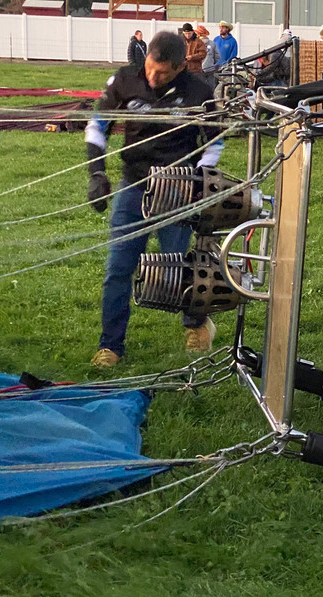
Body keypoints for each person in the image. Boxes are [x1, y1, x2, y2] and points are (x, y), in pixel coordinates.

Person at [84, 31, 225, 368]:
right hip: (133, 187)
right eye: (149, 68)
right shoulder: (124, 80)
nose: (152, 76)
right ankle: (110, 346)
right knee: (118, 268)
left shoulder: (199, 92)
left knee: (175, 268)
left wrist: (197, 179)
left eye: (161, 73)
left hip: (177, 189)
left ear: (179, 67)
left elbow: (215, 142)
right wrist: (97, 173)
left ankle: (196, 324)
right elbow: (97, 126)